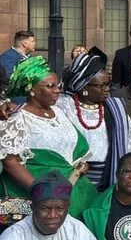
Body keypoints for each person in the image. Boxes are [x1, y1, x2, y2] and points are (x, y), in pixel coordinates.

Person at [0, 57, 97, 218]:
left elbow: (72, 145)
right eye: (50, 86)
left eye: (58, 86)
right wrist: (39, 191)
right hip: (41, 198)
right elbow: (10, 162)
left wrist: (81, 164)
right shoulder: (16, 117)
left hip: (74, 190)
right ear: (31, 89)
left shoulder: (59, 112)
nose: (57, 90)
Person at [58, 52, 131, 191]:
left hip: (109, 180)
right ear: (84, 87)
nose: (107, 89)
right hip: (71, 180)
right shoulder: (63, 106)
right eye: (101, 86)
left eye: (108, 84)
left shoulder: (116, 108)